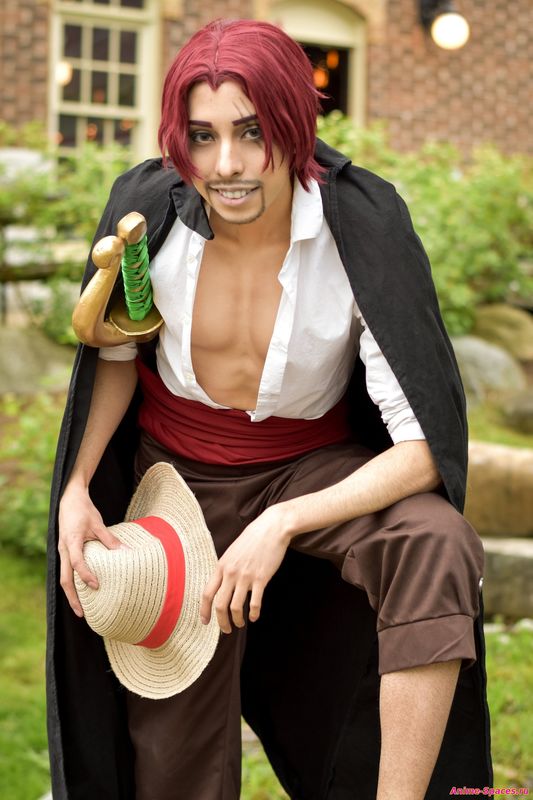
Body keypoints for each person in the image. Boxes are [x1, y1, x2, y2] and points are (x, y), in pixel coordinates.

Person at [48, 18, 492, 800]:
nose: (226, 164)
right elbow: (116, 354)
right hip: (176, 481)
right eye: (203, 136)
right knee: (174, 759)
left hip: (311, 466)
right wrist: (79, 486)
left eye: (251, 132)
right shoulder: (148, 213)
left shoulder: (360, 228)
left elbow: (423, 444)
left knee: (433, 542)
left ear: (294, 124)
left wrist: (281, 522)